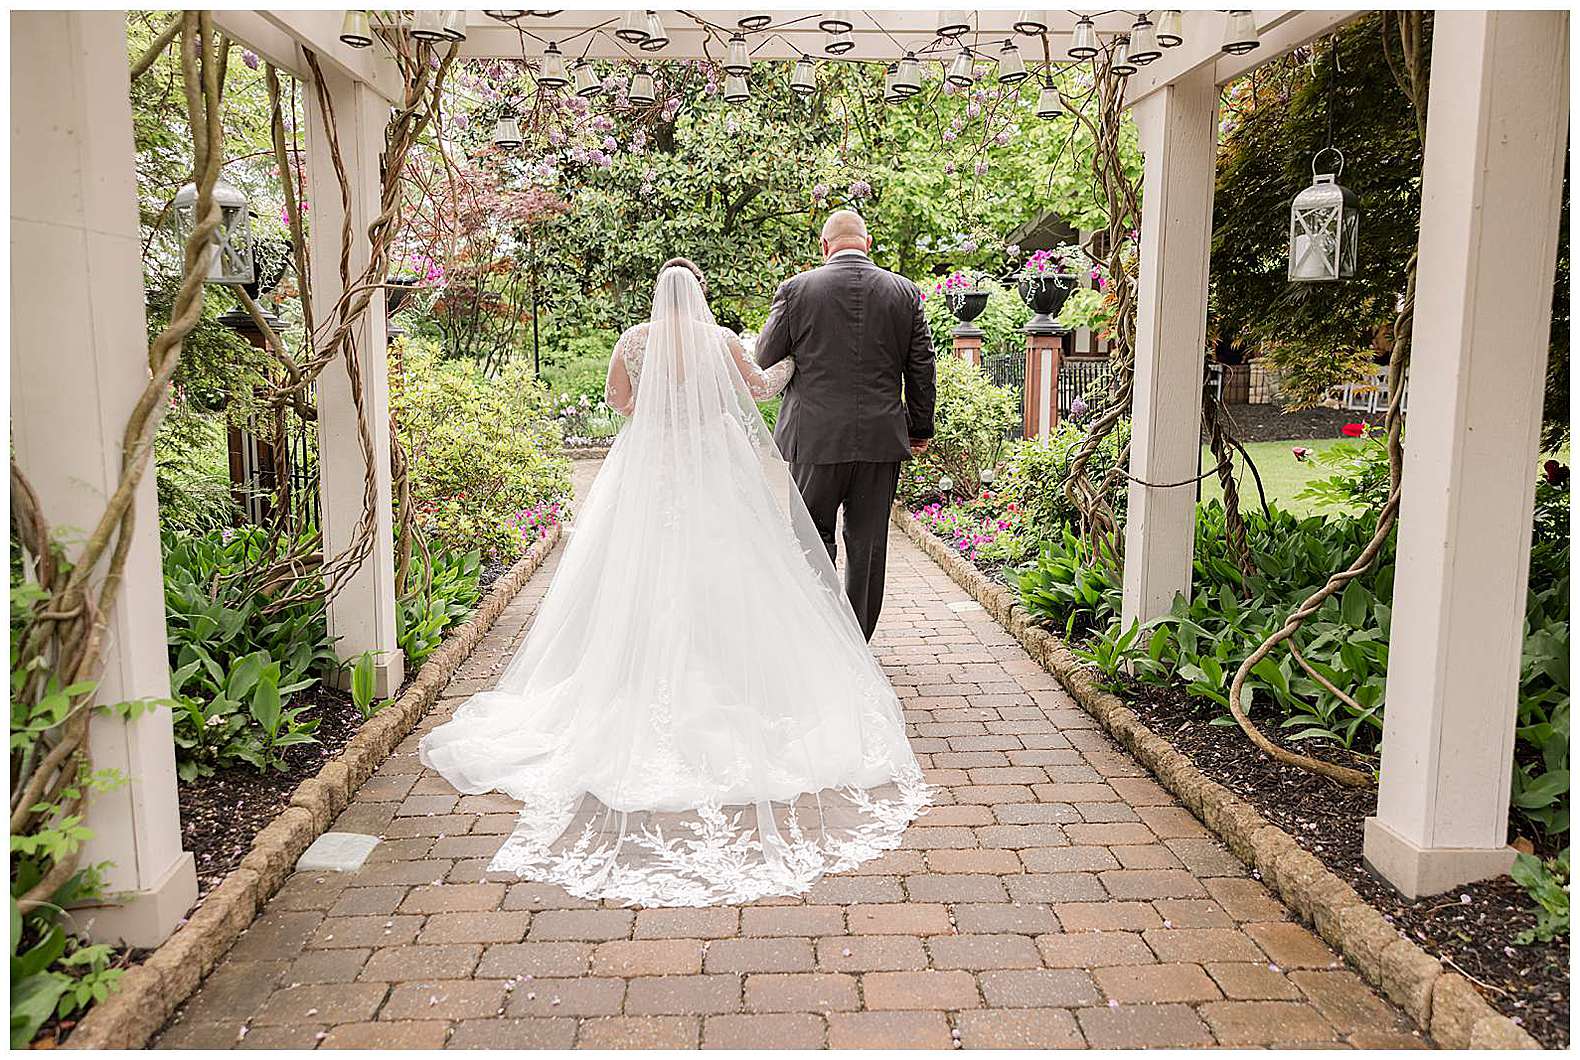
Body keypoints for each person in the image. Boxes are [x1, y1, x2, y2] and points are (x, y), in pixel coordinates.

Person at [419, 261, 929, 908]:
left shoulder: (633, 338)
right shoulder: (719, 339)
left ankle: (634, 676)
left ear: (656, 296)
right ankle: (731, 678)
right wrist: (795, 365)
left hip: (650, 465)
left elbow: (618, 403)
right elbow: (764, 389)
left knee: (640, 572)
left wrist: (653, 403)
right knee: (731, 572)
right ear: (701, 291)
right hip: (715, 469)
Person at [754, 210, 936, 640]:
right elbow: (922, 367)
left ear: (824, 247)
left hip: (812, 439)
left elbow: (763, 358)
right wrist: (920, 427)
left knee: (810, 540)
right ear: (868, 244)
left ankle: (820, 642)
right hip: (879, 440)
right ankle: (857, 643)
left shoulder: (796, 291)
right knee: (868, 545)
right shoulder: (904, 293)